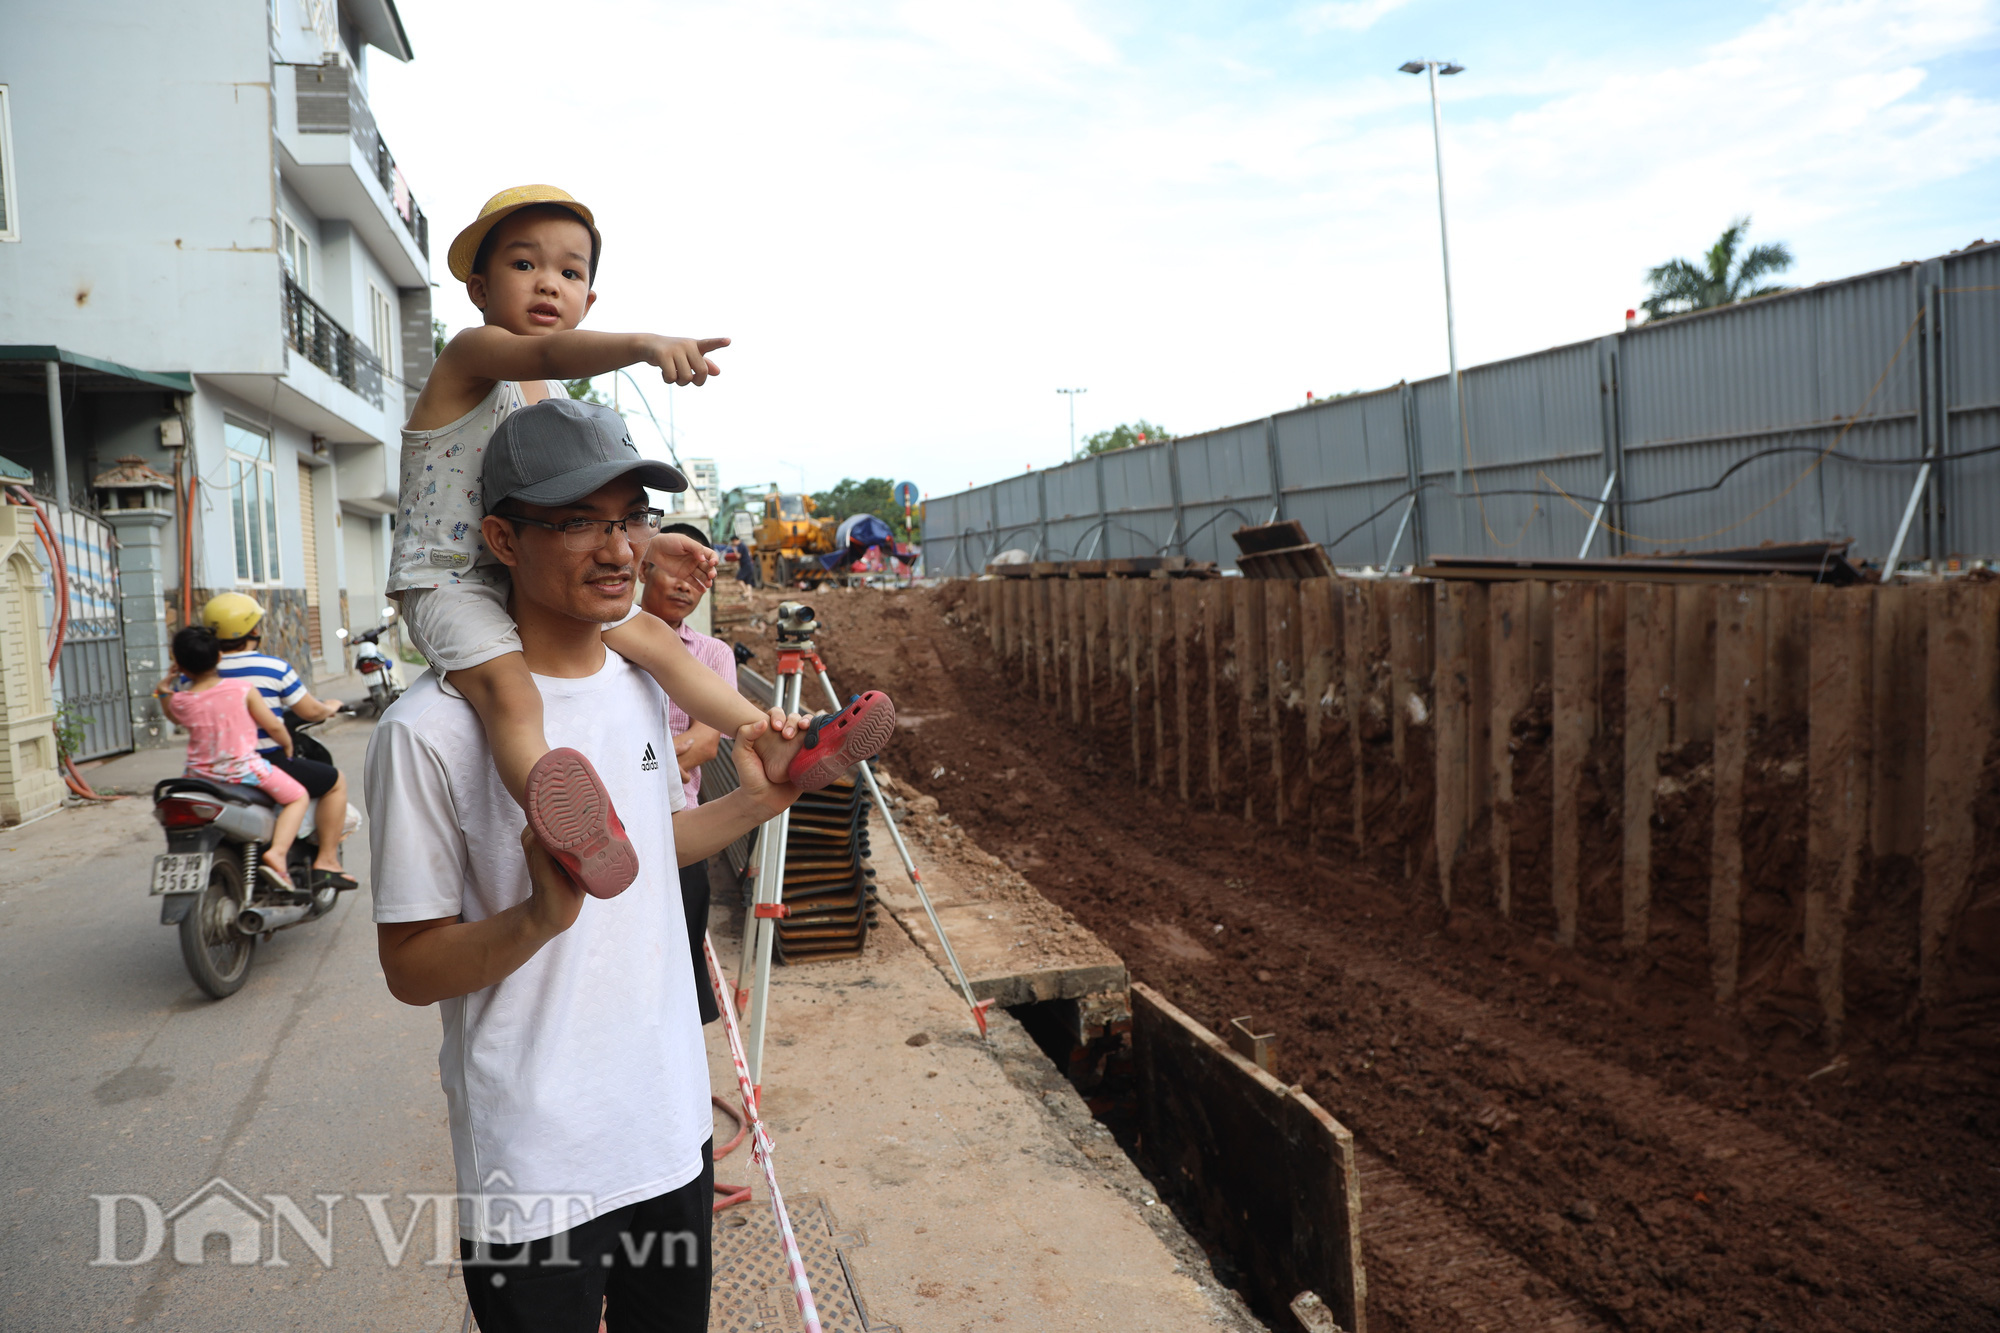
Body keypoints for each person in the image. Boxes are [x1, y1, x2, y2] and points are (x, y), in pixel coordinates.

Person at [365, 413, 810, 1330]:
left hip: (671, 1129)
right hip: (537, 1167)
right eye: (578, 521)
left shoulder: (641, 678)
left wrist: (761, 802)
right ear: (502, 538)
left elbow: (649, 851)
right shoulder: (427, 731)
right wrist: (537, 918)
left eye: (631, 517)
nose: (618, 549)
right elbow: (410, 967)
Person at [390, 184, 893, 900]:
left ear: (589, 298)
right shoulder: (471, 356)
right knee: (508, 687)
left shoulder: (553, 404)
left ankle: (780, 737)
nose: (548, 283)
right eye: (525, 265)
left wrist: (649, 546)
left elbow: (586, 513)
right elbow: (556, 351)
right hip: (451, 580)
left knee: (656, 640)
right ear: (477, 288)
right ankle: (564, 818)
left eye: (570, 273)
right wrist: (644, 345)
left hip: (530, 572)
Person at [640, 522, 734, 1025]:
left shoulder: (712, 654)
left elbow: (706, 742)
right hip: (616, 832)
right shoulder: (605, 642)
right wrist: (664, 758)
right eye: (676, 572)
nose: (684, 586)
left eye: (698, 580)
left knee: (684, 968)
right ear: (643, 566)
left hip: (682, 832)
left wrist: (633, 761)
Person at [200, 592, 357, 892]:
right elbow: (309, 711)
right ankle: (326, 861)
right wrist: (330, 707)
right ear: (254, 630)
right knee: (335, 781)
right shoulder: (273, 668)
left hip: (209, 764)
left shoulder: (200, 673)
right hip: (263, 762)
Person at [154, 625, 309, 893]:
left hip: (197, 777)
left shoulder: (181, 700)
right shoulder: (242, 689)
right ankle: (278, 854)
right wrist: (287, 745)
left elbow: (172, 714)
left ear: (179, 664)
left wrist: (163, 687)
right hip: (244, 770)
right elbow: (272, 726)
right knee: (298, 797)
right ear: (218, 658)